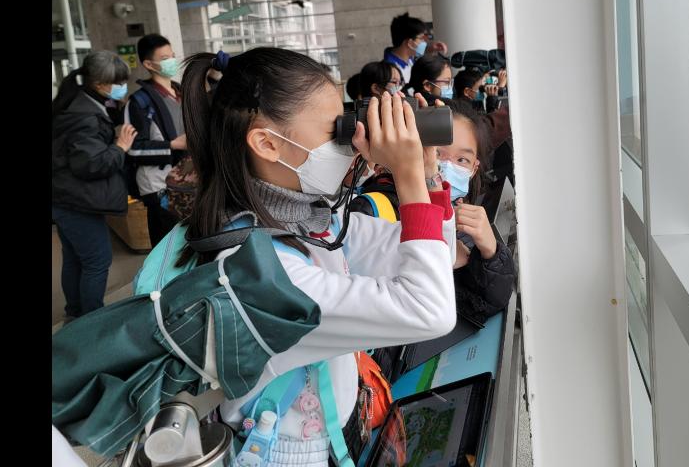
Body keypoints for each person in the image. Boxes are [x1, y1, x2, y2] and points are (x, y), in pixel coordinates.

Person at [179, 47, 457, 466]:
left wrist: (428, 173)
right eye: (335, 131)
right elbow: (429, 311)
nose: (350, 141)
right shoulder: (255, 269)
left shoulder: (310, 223)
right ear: (267, 143)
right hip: (283, 454)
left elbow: (438, 256)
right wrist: (407, 175)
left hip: (333, 432)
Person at [349, 99, 516, 326]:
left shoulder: (464, 218)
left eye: (462, 159)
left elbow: (488, 303)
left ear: (474, 168)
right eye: (436, 153)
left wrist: (491, 253)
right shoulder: (374, 208)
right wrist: (440, 261)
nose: (444, 167)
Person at [52, 51, 138, 320]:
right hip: (78, 201)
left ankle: (75, 314)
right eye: (118, 82)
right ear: (99, 84)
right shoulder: (85, 116)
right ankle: (93, 320)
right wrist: (120, 147)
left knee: (75, 258)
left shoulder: (77, 102)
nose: (122, 86)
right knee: (97, 262)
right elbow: (91, 164)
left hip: (65, 197)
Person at [125, 33, 188, 246]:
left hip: (188, 182)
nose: (172, 61)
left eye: (173, 56)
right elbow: (134, 149)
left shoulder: (181, 93)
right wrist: (173, 145)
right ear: (148, 64)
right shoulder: (139, 102)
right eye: (165, 58)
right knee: (167, 247)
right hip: (159, 186)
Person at [383, 12, 429, 84]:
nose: (424, 42)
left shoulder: (410, 60)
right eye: (421, 39)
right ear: (410, 43)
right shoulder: (390, 73)